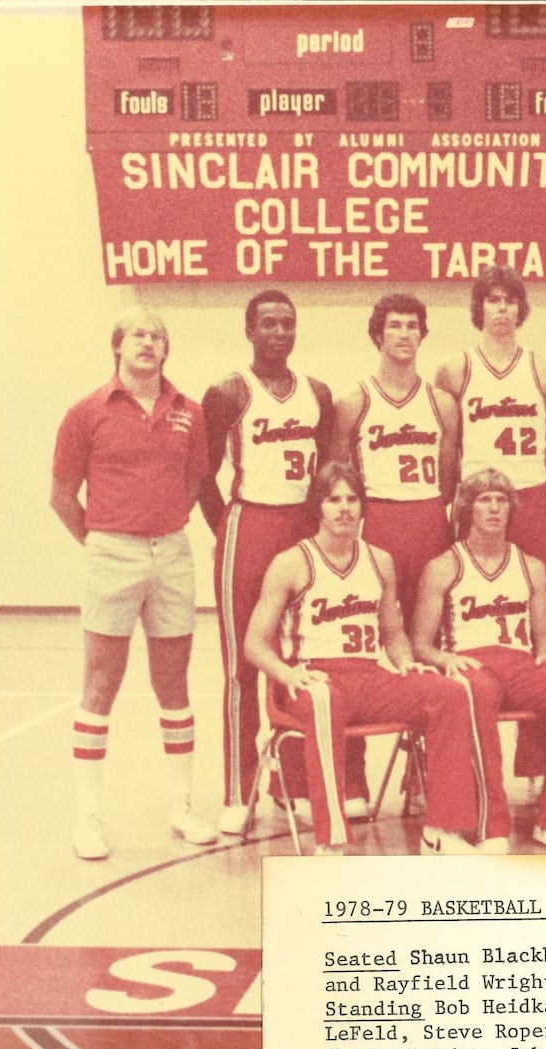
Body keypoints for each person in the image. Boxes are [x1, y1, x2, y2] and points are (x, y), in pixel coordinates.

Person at [243, 462, 486, 855]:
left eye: (352, 499)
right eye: (333, 500)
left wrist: (407, 662)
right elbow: (254, 643)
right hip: (313, 678)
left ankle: (443, 830)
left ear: (363, 506)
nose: (344, 508)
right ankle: (332, 841)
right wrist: (286, 674)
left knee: (450, 692)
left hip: (368, 675)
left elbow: (392, 635)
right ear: (317, 509)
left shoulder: (379, 560)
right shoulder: (291, 562)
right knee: (323, 700)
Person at [50, 306, 216, 859]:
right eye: (138, 334)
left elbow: (195, 483)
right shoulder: (85, 412)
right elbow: (62, 497)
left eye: (158, 335)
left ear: (167, 350)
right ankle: (88, 819)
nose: (149, 342)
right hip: (110, 551)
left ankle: (182, 805)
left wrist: (156, 529)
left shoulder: (189, 411)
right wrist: (106, 542)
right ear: (117, 346)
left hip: (171, 551)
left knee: (175, 685)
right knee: (101, 684)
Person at [197, 290, 337, 836]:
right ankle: (238, 787)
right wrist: (229, 526)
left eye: (288, 324)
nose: (279, 333)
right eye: (269, 324)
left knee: (300, 655)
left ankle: (292, 784)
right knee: (241, 665)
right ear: (250, 330)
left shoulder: (317, 393)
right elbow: (204, 476)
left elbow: (326, 470)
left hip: (301, 529)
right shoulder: (229, 392)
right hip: (248, 524)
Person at [410, 469, 546, 854]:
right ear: (467, 508)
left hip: (518, 664)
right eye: (485, 500)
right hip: (471, 663)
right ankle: (491, 824)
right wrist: (446, 659)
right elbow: (419, 644)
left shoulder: (531, 566)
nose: (494, 508)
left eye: (501, 500)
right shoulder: (444, 566)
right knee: (475, 693)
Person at [435, 265, 546, 791]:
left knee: (535, 622)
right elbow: (449, 446)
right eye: (492, 300)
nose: (503, 309)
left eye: (511, 300)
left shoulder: (545, 369)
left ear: (522, 309)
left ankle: (534, 762)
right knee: (462, 617)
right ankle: (448, 758)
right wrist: (464, 498)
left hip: (529, 493)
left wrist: (522, 485)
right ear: (479, 308)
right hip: (475, 493)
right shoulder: (455, 369)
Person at [335, 294, 458, 609]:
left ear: (422, 335)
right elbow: (336, 478)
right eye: (395, 326)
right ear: (378, 335)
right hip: (379, 517)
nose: (404, 334)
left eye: (412, 326)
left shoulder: (442, 403)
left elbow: (448, 483)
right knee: (377, 614)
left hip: (429, 517)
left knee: (432, 618)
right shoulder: (354, 402)